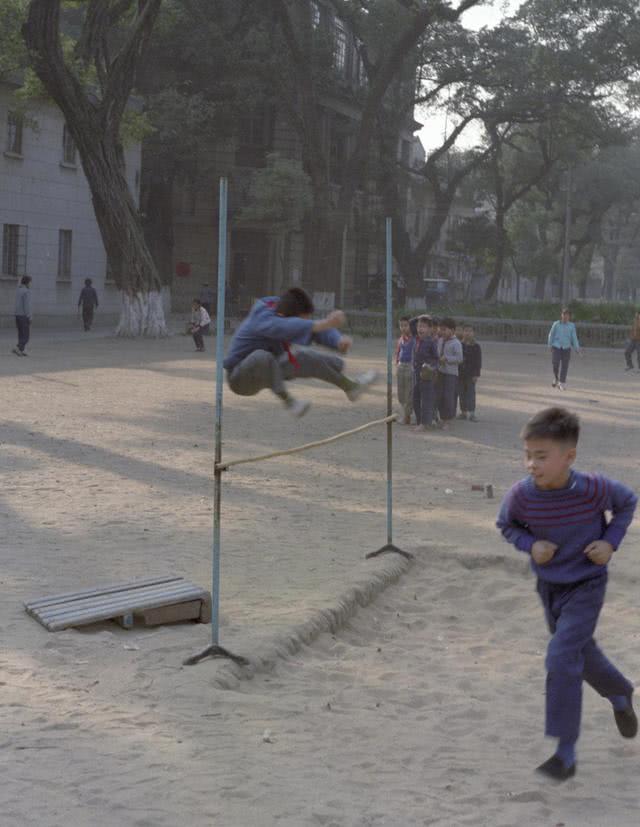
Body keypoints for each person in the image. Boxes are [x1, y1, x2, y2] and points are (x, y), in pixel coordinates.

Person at [497, 407, 638, 781]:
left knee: (561, 656)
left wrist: (610, 542)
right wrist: (529, 543)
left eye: (541, 456)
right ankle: (620, 692)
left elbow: (627, 502)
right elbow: (505, 524)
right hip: (549, 588)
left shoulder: (593, 488)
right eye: (527, 454)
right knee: (580, 653)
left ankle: (565, 753)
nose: (531, 464)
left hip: (588, 584)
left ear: (569, 457)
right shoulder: (522, 495)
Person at [223, 287, 377, 417]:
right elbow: (286, 326)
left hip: (272, 369)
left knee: (303, 356)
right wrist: (323, 323)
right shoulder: (263, 316)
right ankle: (289, 402)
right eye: (302, 320)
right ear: (286, 316)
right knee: (262, 356)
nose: (305, 323)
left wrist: (338, 340)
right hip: (240, 379)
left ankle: (350, 387)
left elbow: (315, 330)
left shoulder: (285, 308)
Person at [409, 315, 438, 430]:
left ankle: (425, 423)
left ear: (430, 329)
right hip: (416, 374)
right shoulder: (416, 338)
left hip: (426, 375)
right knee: (416, 397)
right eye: (419, 326)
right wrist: (419, 317)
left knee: (426, 399)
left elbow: (436, 359)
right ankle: (419, 420)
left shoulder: (431, 342)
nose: (420, 329)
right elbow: (411, 323)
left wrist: (431, 368)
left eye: (424, 327)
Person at [435, 317, 462, 430]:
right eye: (441, 329)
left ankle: (448, 420)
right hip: (440, 372)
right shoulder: (440, 340)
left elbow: (459, 358)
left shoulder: (456, 343)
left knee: (448, 397)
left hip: (451, 374)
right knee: (439, 395)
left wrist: (447, 359)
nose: (442, 331)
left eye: (444, 329)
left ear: (452, 330)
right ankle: (441, 417)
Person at [548, 308, 580, 390]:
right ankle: (556, 378)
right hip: (556, 346)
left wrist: (577, 347)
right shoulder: (556, 324)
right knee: (555, 363)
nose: (565, 317)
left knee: (565, 366)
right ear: (561, 315)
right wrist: (550, 345)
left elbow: (574, 337)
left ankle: (561, 383)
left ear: (569, 317)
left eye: (567, 316)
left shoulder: (571, 326)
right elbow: (551, 334)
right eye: (564, 315)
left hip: (566, 347)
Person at [457, 324, 482, 422]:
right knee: (461, 393)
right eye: (466, 331)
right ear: (462, 332)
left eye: (470, 331)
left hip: (471, 374)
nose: (468, 333)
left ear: (473, 333)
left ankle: (472, 413)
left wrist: (476, 374)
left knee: (471, 393)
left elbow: (478, 362)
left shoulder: (476, 346)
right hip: (460, 373)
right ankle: (463, 412)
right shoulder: (459, 344)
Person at [395, 315, 414, 424]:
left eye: (406, 325)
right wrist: (397, 363)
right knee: (401, 392)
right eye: (401, 326)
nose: (403, 328)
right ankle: (403, 413)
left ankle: (408, 415)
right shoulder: (400, 339)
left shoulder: (414, 339)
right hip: (401, 366)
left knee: (409, 392)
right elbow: (398, 353)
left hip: (410, 366)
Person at [13, 275, 32, 357]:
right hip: (24, 316)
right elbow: (26, 305)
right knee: (26, 335)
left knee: (21, 334)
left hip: (17, 315)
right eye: (30, 282)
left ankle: (22, 350)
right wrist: (29, 316)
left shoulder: (18, 290)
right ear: (27, 282)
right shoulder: (26, 291)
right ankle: (18, 348)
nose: (31, 284)